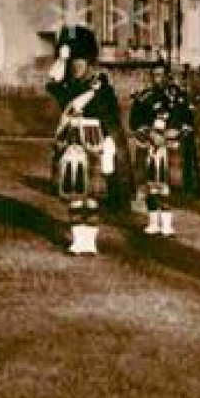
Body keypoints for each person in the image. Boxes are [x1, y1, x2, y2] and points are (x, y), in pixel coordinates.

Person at [46, 25, 128, 256]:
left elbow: (111, 116)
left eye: (79, 62)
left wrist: (110, 144)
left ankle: (89, 241)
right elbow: (51, 84)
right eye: (73, 63)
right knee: (74, 195)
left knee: (91, 197)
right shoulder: (68, 86)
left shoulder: (101, 88)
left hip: (94, 140)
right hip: (71, 141)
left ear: (90, 63)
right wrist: (62, 57)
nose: (76, 67)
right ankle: (77, 239)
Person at [127, 57, 200, 236]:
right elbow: (134, 123)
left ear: (167, 76)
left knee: (167, 187)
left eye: (161, 75)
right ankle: (153, 222)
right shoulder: (144, 97)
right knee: (151, 186)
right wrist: (150, 134)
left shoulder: (180, 97)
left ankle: (167, 224)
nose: (157, 78)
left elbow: (189, 122)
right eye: (154, 74)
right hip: (149, 146)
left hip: (172, 146)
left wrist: (176, 132)